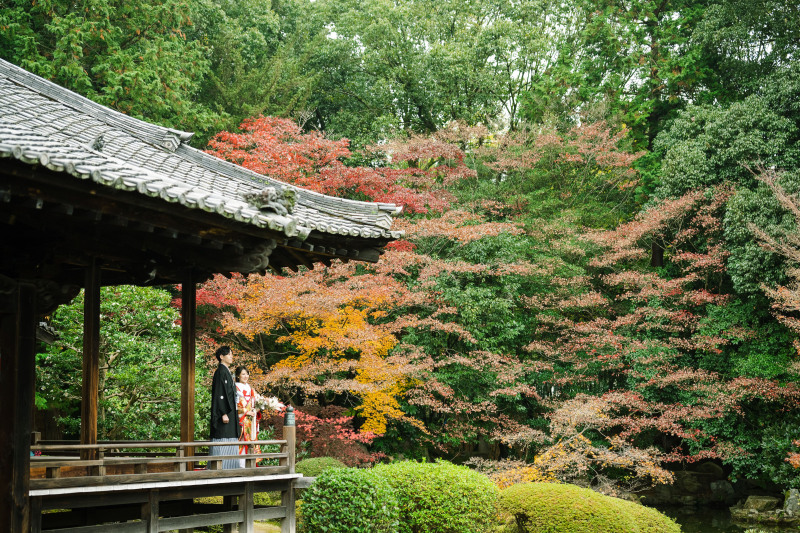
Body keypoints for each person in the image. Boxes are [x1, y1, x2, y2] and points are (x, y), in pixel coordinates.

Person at [209, 345, 240, 469]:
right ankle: (221, 467)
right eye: (229, 354)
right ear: (221, 357)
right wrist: (223, 412)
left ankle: (230, 466)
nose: (231, 356)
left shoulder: (226, 371)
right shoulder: (220, 372)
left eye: (232, 354)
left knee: (230, 436)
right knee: (223, 436)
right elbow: (219, 394)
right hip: (225, 413)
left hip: (231, 411)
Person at [235, 366, 261, 467]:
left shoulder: (250, 388)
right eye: (243, 374)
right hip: (241, 418)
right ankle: (240, 464)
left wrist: (257, 409)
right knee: (242, 440)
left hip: (250, 419)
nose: (246, 376)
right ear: (238, 375)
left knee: (251, 440)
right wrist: (246, 412)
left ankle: (250, 463)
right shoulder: (235, 387)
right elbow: (235, 404)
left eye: (247, 374)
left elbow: (255, 402)